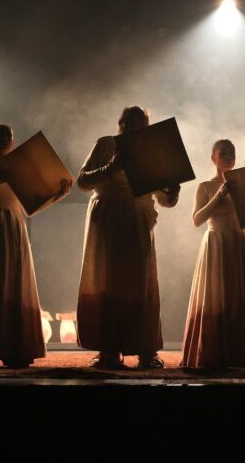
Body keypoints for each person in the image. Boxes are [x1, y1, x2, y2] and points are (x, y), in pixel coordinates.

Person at [0, 124, 70, 368]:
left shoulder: (21, 167)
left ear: (13, 141)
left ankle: (15, 348)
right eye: (0, 135)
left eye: (8, 135)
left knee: (14, 285)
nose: (5, 138)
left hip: (14, 227)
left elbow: (32, 207)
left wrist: (57, 196)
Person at [76, 106, 180, 369]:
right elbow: (82, 181)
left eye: (140, 123)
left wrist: (172, 191)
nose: (134, 127)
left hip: (137, 220)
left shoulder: (151, 149)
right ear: (121, 123)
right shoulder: (106, 144)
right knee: (108, 280)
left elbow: (164, 199)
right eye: (130, 123)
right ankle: (109, 349)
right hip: (108, 218)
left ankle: (145, 349)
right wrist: (111, 167)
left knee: (140, 281)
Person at [180, 139, 245, 369]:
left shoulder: (243, 185)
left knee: (239, 295)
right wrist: (220, 193)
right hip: (216, 242)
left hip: (239, 242)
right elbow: (197, 219)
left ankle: (241, 354)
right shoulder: (205, 186)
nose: (229, 156)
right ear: (213, 157)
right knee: (216, 296)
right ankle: (212, 353)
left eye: (232, 153)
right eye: (224, 152)